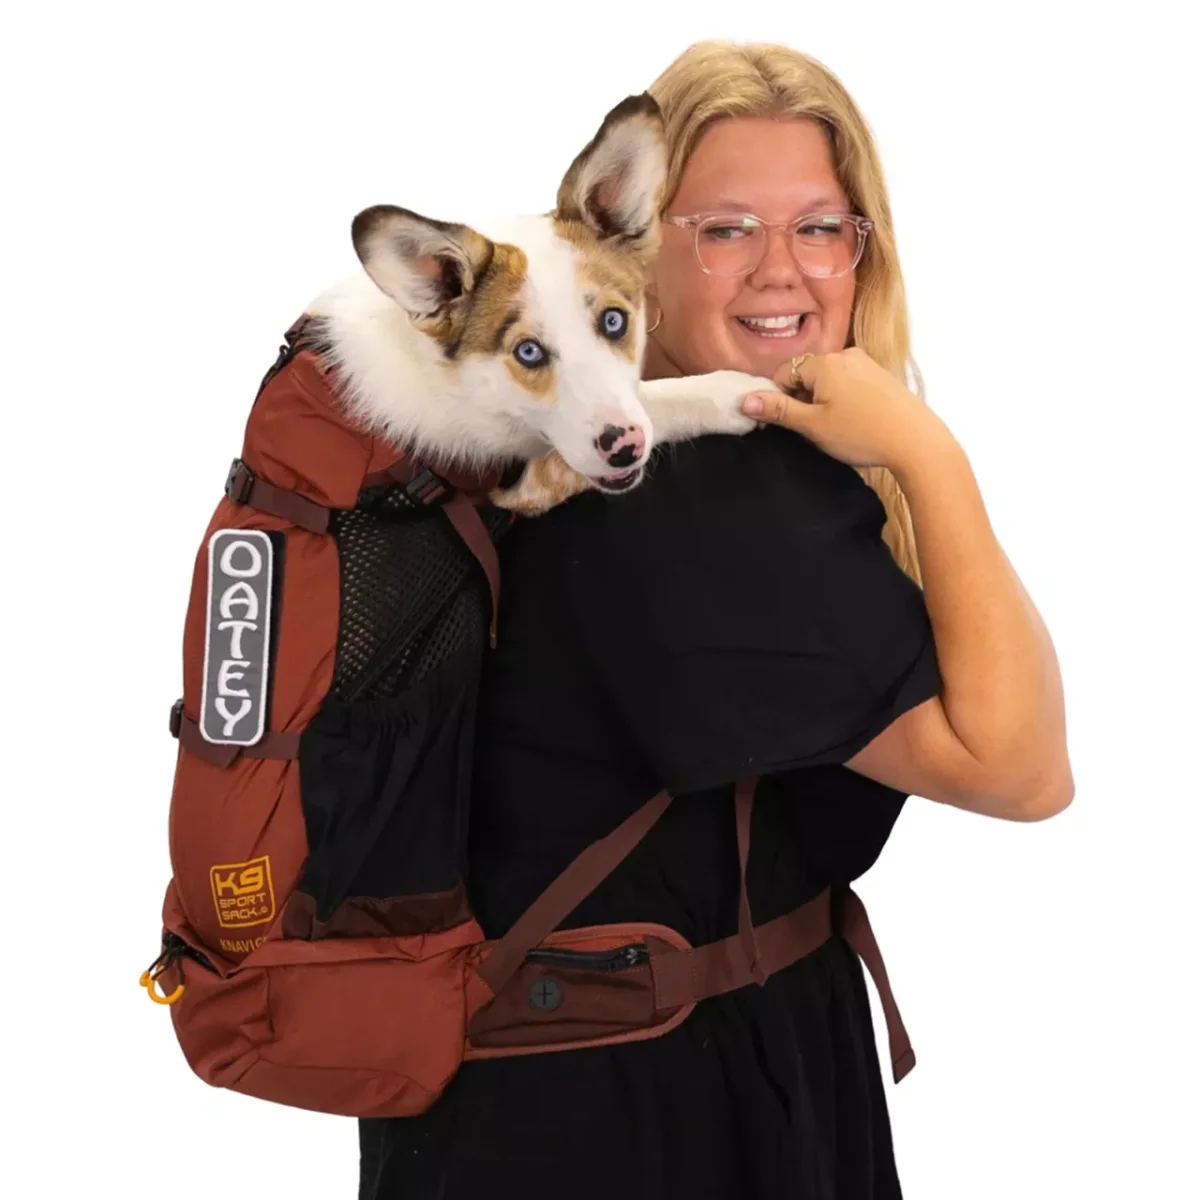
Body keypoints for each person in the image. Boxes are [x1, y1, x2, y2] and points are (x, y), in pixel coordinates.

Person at [358, 40, 1072, 1200]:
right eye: (727, 229)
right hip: (626, 1120)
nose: (782, 271)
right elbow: (1023, 768)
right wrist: (927, 452)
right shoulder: (685, 498)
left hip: (608, 1086)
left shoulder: (612, 459)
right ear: (641, 243)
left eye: (821, 227)